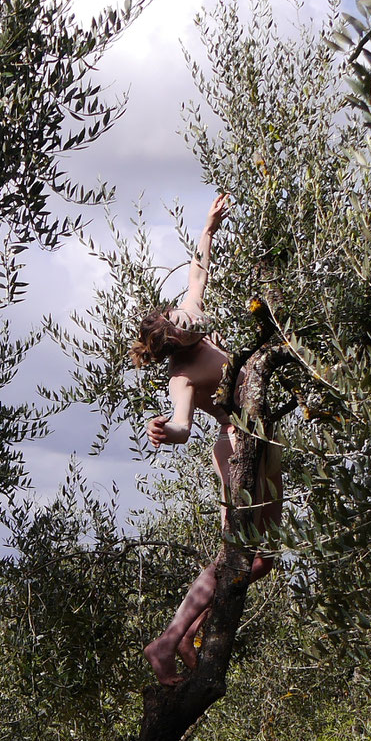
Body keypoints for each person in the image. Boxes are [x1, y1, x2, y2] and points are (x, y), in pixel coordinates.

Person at [131, 192, 282, 686]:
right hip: (236, 446)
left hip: (261, 439)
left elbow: (198, 273)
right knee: (236, 555)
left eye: (186, 314)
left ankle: (186, 634)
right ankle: (168, 641)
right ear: (177, 342)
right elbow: (181, 425)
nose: (193, 318)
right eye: (185, 325)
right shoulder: (181, 375)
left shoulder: (189, 310)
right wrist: (165, 430)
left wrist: (208, 227)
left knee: (265, 555)